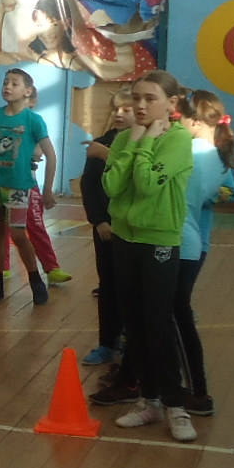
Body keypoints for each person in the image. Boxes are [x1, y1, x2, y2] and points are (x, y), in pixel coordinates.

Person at [89, 69, 197, 443]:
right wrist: (134, 140)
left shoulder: (178, 140)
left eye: (150, 98)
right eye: (136, 97)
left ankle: (176, 406)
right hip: (124, 240)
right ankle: (149, 402)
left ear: (171, 103)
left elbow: (148, 185)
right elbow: (111, 185)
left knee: (158, 324)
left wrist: (146, 143)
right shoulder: (125, 136)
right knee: (133, 324)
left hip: (159, 241)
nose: (140, 105)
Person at [177, 89, 234, 416]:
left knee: (176, 313)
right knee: (172, 312)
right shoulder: (215, 155)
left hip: (186, 240)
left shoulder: (193, 153)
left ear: (193, 120)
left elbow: (230, 191)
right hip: (191, 240)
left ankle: (196, 391)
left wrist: (208, 197)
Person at [0, 68, 57, 305]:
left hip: (19, 186)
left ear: (28, 91)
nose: (8, 86)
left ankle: (35, 280)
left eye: (14, 83)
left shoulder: (33, 120)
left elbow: (50, 155)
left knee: (18, 234)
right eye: (5, 82)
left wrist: (47, 189)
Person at [79, 90, 135, 365]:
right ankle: (106, 343)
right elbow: (89, 185)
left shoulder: (142, 145)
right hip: (106, 228)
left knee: (131, 288)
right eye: (116, 109)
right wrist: (99, 220)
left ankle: (129, 340)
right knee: (108, 285)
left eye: (126, 109)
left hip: (133, 229)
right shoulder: (100, 143)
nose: (119, 114)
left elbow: (135, 175)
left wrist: (107, 155)